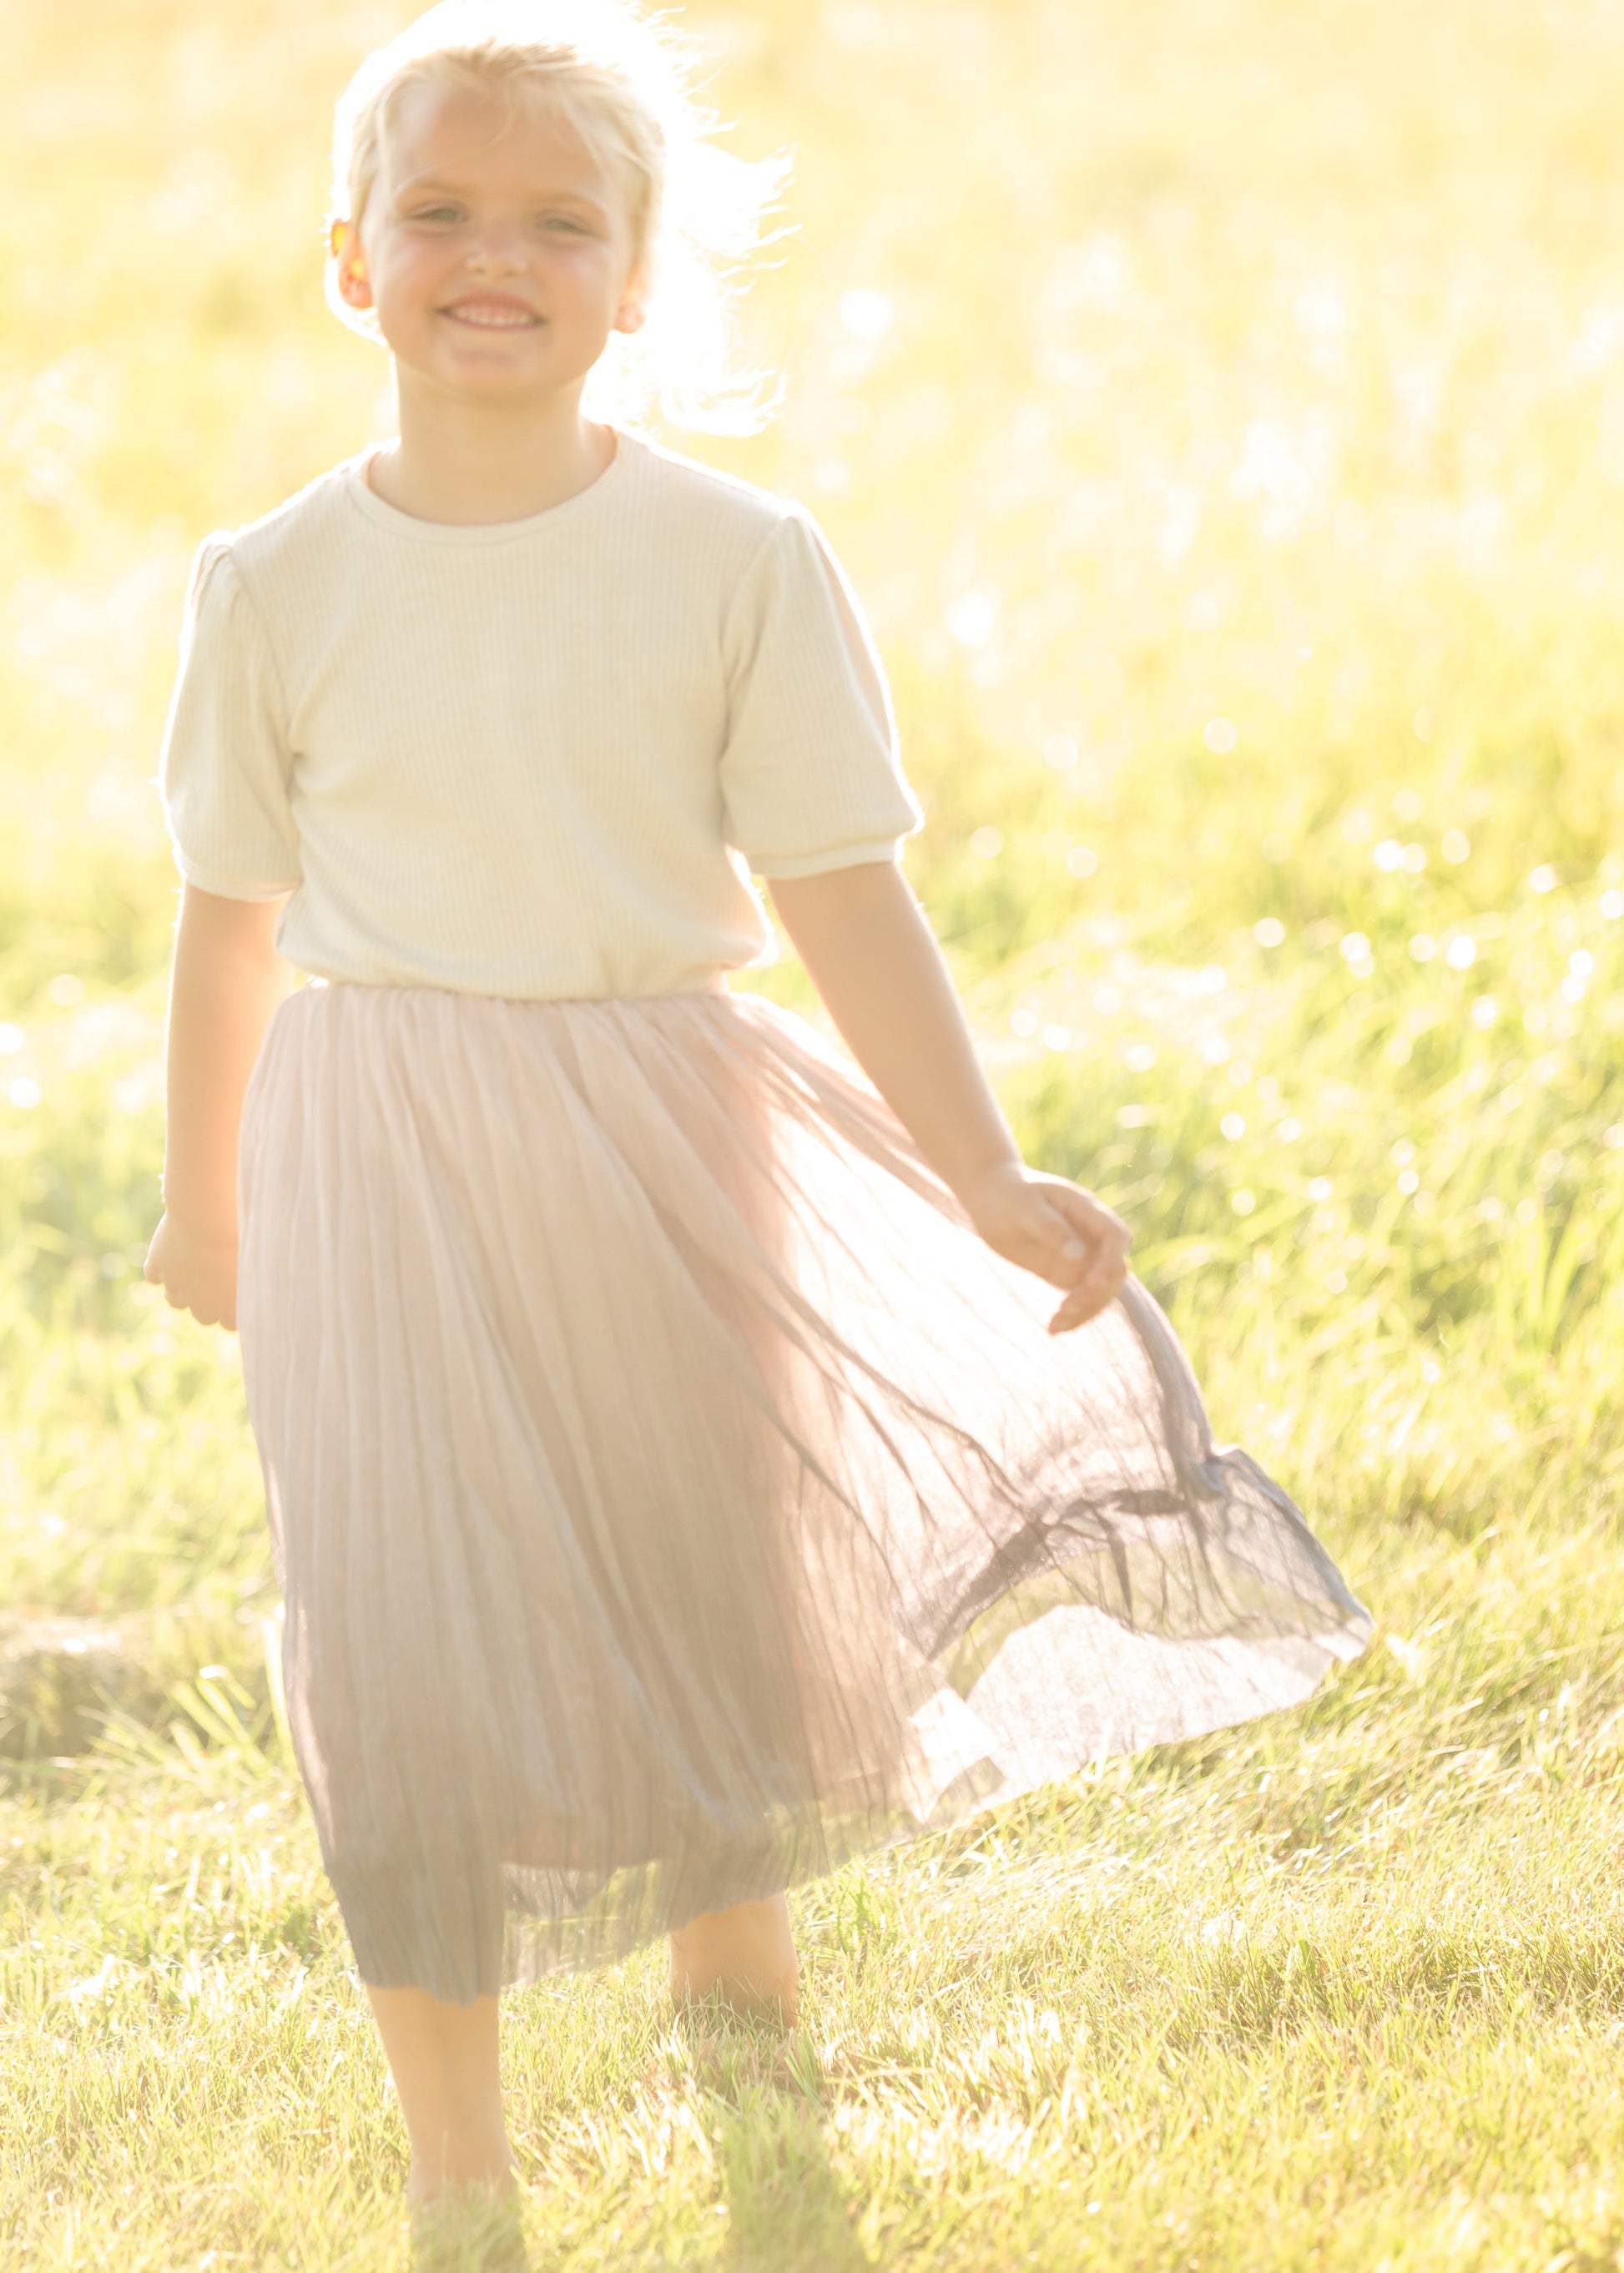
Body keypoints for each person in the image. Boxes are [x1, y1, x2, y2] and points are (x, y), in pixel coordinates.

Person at [144, 0, 1370, 2225]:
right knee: (394, 1623)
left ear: (636, 282)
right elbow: (228, 924)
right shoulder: (273, 584)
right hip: (372, 1140)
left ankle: (744, 1996)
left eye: (556, 222)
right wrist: (202, 1201)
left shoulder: (732, 561)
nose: (489, 257)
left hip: (662, 1112)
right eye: (437, 211)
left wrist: (975, 1164)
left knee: (701, 1566)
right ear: (351, 259)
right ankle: (460, 2162)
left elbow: (842, 900)